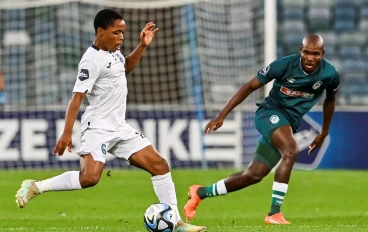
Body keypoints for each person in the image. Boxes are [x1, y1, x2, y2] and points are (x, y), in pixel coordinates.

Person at [15, 9, 206, 232]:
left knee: (160, 166)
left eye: (123, 32)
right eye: (117, 32)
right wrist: (67, 133)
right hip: (98, 126)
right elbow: (76, 98)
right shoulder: (91, 60)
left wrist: (142, 46)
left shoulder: (114, 53)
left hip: (119, 127)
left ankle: (175, 222)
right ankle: (36, 186)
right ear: (100, 31)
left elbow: (123, 69)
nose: (121, 37)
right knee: (89, 178)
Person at [183, 34, 339, 225]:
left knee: (253, 175)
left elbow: (330, 100)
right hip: (269, 113)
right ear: (300, 50)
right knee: (291, 150)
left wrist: (324, 132)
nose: (309, 58)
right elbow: (249, 86)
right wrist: (222, 115)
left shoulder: (330, 75)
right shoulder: (283, 65)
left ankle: (199, 193)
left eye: (315, 54)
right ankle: (274, 214)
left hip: (288, 123)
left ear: (322, 54)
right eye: (306, 52)